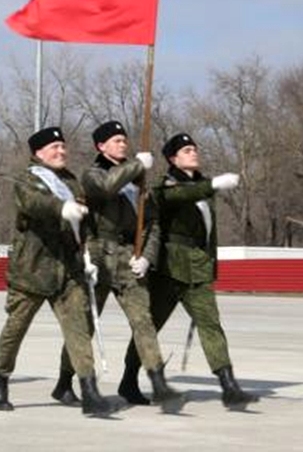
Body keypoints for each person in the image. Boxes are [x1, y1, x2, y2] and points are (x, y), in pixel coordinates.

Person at [49, 121, 182, 409]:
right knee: (84, 324)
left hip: (128, 255)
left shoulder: (139, 181)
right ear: (101, 146)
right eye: (116, 140)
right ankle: (64, 382)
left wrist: (146, 255)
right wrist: (136, 166)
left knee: (142, 319)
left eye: (124, 140)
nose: (123, 144)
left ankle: (157, 380)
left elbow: (153, 223)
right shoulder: (92, 174)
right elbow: (107, 188)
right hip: (97, 253)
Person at [122, 133, 258, 410]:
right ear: (173, 158)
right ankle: (129, 379)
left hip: (198, 268)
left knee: (211, 325)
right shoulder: (166, 187)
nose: (194, 153)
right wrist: (213, 184)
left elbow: (208, 233)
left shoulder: (201, 187)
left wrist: (210, 263)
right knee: (150, 327)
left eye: (195, 149)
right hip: (169, 270)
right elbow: (181, 195)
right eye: (187, 150)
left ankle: (228, 386)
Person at [0, 127, 116, 416]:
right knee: (15, 329)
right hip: (31, 269)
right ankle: (0, 381)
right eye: (54, 147)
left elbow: (86, 224)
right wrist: (61, 208)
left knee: (78, 329)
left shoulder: (71, 181)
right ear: (38, 153)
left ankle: (89, 390)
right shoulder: (27, 179)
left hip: (68, 271)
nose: (61, 152)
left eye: (63, 146)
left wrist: (90, 257)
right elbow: (34, 203)